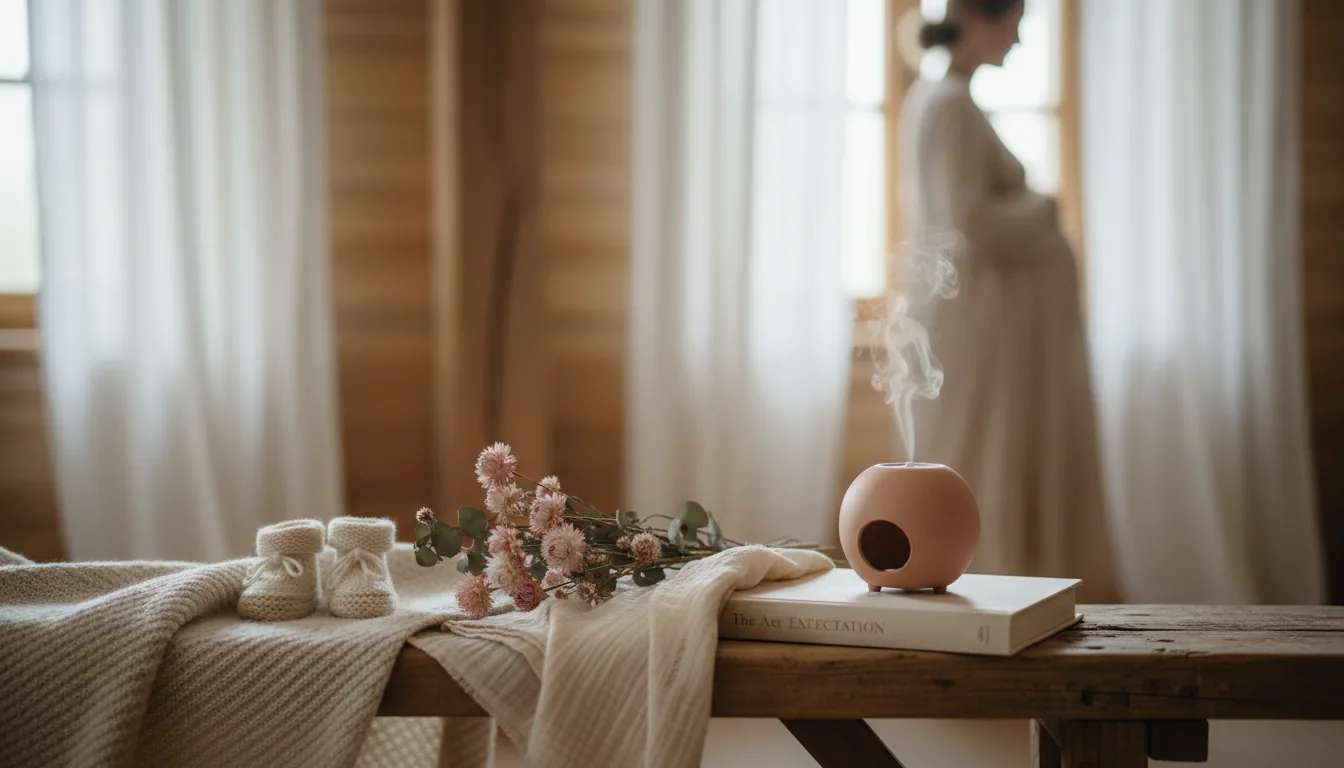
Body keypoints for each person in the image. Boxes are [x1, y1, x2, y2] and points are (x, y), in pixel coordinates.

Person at [900, 0, 1120, 601]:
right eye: (1014, 24)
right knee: (983, 461)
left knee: (993, 461)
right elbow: (968, 222)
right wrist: (1045, 208)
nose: (1019, 41)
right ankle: (989, 592)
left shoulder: (948, 101)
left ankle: (1010, 591)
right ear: (978, 20)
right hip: (977, 330)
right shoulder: (948, 106)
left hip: (991, 329)